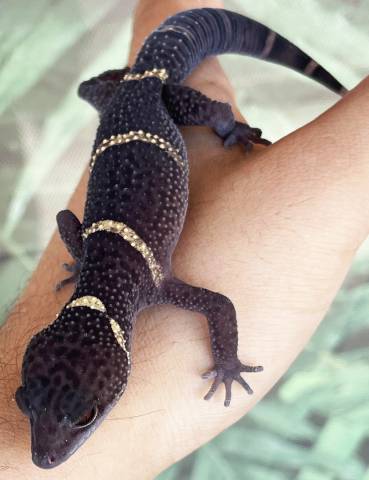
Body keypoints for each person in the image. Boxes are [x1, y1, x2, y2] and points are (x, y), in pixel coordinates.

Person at [1, 0, 368, 478]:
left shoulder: (152, 283)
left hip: (158, 97)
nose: (43, 453)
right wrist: (81, 258)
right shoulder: (102, 263)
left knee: (212, 112)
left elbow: (219, 306)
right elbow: (68, 223)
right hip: (135, 102)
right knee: (92, 90)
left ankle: (152, 86)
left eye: (84, 415)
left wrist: (227, 127)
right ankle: (133, 82)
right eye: (78, 415)